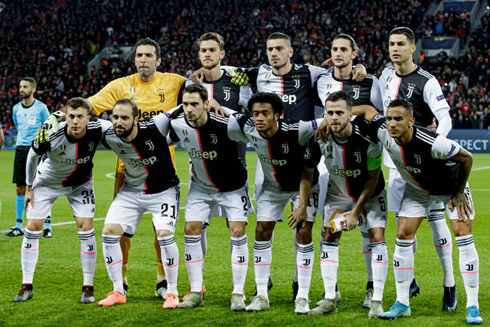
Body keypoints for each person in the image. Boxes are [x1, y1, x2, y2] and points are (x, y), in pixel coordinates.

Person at [357, 98, 481, 324]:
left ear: (411, 121)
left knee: (463, 235)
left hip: (450, 189)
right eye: (389, 118)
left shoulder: (433, 142)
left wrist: (460, 191)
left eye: (398, 119)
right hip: (418, 190)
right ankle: (402, 302)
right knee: (403, 234)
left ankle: (473, 305)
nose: (392, 124)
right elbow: (366, 110)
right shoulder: (385, 132)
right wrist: (327, 118)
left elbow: (466, 158)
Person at [87, 37, 186, 298]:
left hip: (163, 168)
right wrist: (66, 114)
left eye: (149, 55)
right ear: (134, 60)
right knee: (120, 230)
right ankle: (121, 281)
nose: (143, 59)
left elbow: (197, 94)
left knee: (161, 231)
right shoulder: (121, 86)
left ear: (158, 60)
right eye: (139, 55)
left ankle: (162, 281)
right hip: (125, 169)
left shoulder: (173, 82)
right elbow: (92, 104)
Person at [378, 27, 455, 309]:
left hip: (424, 165)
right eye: (391, 43)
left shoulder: (426, 81)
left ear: (413, 48)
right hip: (396, 166)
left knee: (436, 223)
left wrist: (437, 145)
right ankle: (408, 284)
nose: (394, 48)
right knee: (403, 228)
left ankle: (449, 285)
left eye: (400, 44)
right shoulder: (386, 76)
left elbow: (444, 117)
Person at [228, 92, 319, 314]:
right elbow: (230, 115)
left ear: (277, 115)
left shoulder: (298, 129)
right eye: (256, 113)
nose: (259, 118)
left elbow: (329, 120)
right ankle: (261, 294)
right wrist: (211, 103)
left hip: (303, 186)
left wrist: (302, 205)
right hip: (272, 187)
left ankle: (303, 297)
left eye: (265, 114)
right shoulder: (248, 126)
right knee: (261, 230)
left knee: (304, 231)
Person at [13, 98, 109, 303]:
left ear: (88, 117)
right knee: (32, 227)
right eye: (71, 116)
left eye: (80, 117)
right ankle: (26, 286)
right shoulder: (51, 131)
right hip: (47, 182)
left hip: (80, 183)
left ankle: (88, 287)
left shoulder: (98, 128)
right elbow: (31, 157)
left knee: (86, 228)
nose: (75, 121)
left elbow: (122, 131)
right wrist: (29, 188)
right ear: (66, 115)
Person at [181, 32, 253, 301]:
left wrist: (221, 107)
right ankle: (196, 286)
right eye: (203, 50)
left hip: (234, 161)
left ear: (222, 53)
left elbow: (250, 113)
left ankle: (247, 281)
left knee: (236, 226)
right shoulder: (191, 82)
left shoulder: (237, 78)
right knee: (196, 226)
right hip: (200, 166)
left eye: (212, 50)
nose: (207, 54)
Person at [167, 84, 252, 311]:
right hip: (201, 189)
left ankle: (238, 292)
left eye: (194, 104)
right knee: (191, 229)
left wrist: (225, 107)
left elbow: (252, 125)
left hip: (232, 188)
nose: (189, 109)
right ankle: (196, 291)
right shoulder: (178, 124)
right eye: (185, 104)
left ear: (207, 104)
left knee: (237, 230)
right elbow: (159, 135)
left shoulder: (226, 123)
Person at [316, 34, 383, 308]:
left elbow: (374, 110)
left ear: (355, 53)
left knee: (374, 234)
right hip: (336, 177)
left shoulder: (369, 81)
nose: (339, 53)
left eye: (344, 49)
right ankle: (330, 295)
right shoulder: (319, 78)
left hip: (366, 175)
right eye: (335, 49)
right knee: (329, 232)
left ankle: (374, 292)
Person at [309, 91, 387, 318]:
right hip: (338, 195)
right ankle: (330, 297)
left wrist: (355, 212)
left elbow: (373, 178)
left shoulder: (369, 138)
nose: (334, 117)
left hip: (371, 194)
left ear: (350, 114)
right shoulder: (321, 137)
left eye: (339, 113)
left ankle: (376, 298)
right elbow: (307, 169)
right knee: (329, 237)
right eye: (329, 113)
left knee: (377, 237)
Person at [97, 98, 181, 309]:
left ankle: (172, 292)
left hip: (164, 191)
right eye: (115, 117)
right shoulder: (108, 133)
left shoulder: (156, 125)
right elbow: (80, 116)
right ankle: (118, 290)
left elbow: (180, 108)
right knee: (108, 231)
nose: (118, 122)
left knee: (164, 235)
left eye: (124, 118)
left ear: (136, 119)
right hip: (131, 192)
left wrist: (209, 102)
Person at [7, 77, 52, 238]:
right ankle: (19, 225)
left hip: (38, 150)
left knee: (42, 187)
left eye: (25, 87)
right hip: (21, 149)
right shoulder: (16, 108)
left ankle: (47, 226)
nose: (21, 89)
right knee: (20, 187)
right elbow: (18, 126)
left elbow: (49, 127)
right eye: (20, 86)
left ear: (33, 89)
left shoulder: (41, 108)